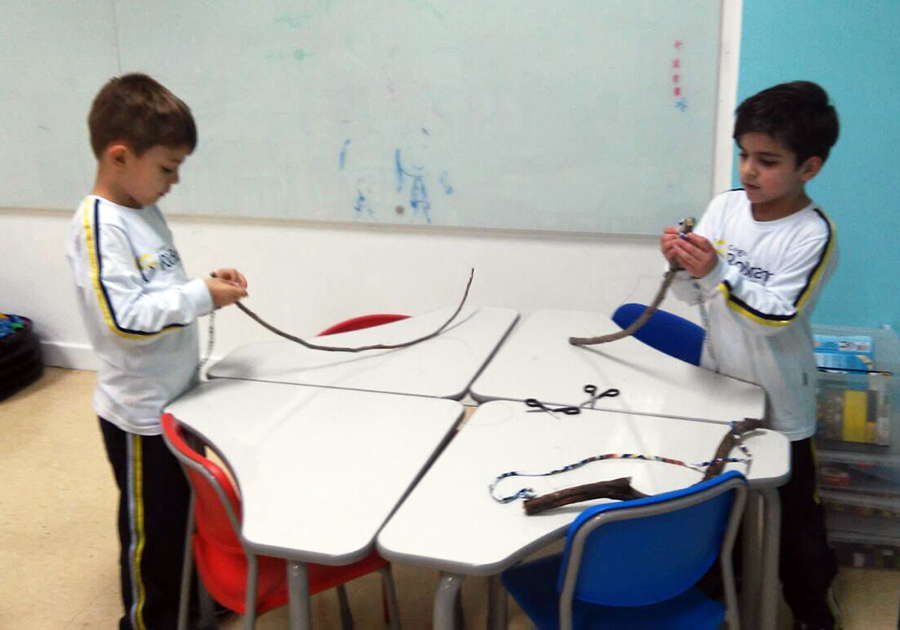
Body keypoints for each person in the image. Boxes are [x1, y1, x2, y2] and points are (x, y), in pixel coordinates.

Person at [66, 73, 248, 629]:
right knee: (153, 531)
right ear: (120, 157)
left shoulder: (142, 210)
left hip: (176, 398)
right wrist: (199, 297)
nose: (174, 181)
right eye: (167, 168)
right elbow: (123, 321)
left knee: (189, 514)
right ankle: (151, 619)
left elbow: (155, 292)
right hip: (140, 416)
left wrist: (204, 285)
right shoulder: (98, 227)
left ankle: (194, 599)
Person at [660, 81, 841, 630]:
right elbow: (696, 297)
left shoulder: (812, 234)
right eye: (743, 154)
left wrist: (716, 271)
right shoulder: (725, 207)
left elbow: (775, 317)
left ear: (809, 168)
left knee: (795, 522)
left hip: (781, 404)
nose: (748, 171)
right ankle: (719, 595)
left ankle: (812, 608)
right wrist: (680, 265)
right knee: (717, 504)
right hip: (720, 391)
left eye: (767, 160)